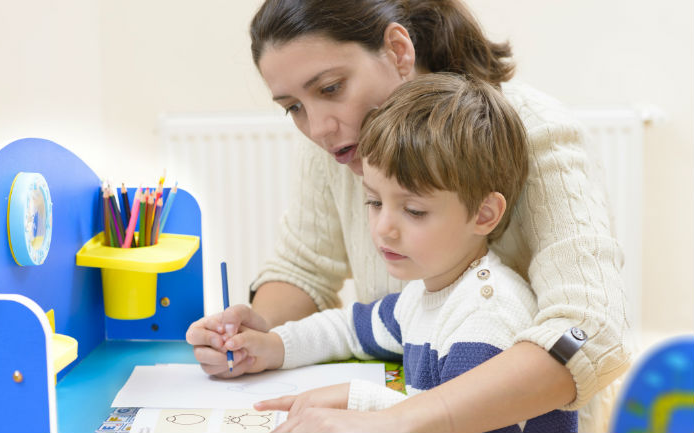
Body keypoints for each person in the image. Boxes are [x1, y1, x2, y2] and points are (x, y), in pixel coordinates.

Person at [186, 1, 631, 431]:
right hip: (406, 403)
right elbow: (305, 267)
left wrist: (388, 419)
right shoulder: (341, 140)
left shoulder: (531, 130)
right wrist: (259, 335)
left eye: (330, 88)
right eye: (293, 107)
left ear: (398, 51)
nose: (318, 127)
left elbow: (589, 331)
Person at [223, 72, 579, 433]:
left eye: (414, 211)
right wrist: (273, 346)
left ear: (484, 214)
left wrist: (358, 401)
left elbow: (461, 424)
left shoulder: (486, 314)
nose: (383, 228)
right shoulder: (427, 294)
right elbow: (351, 329)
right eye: (374, 201)